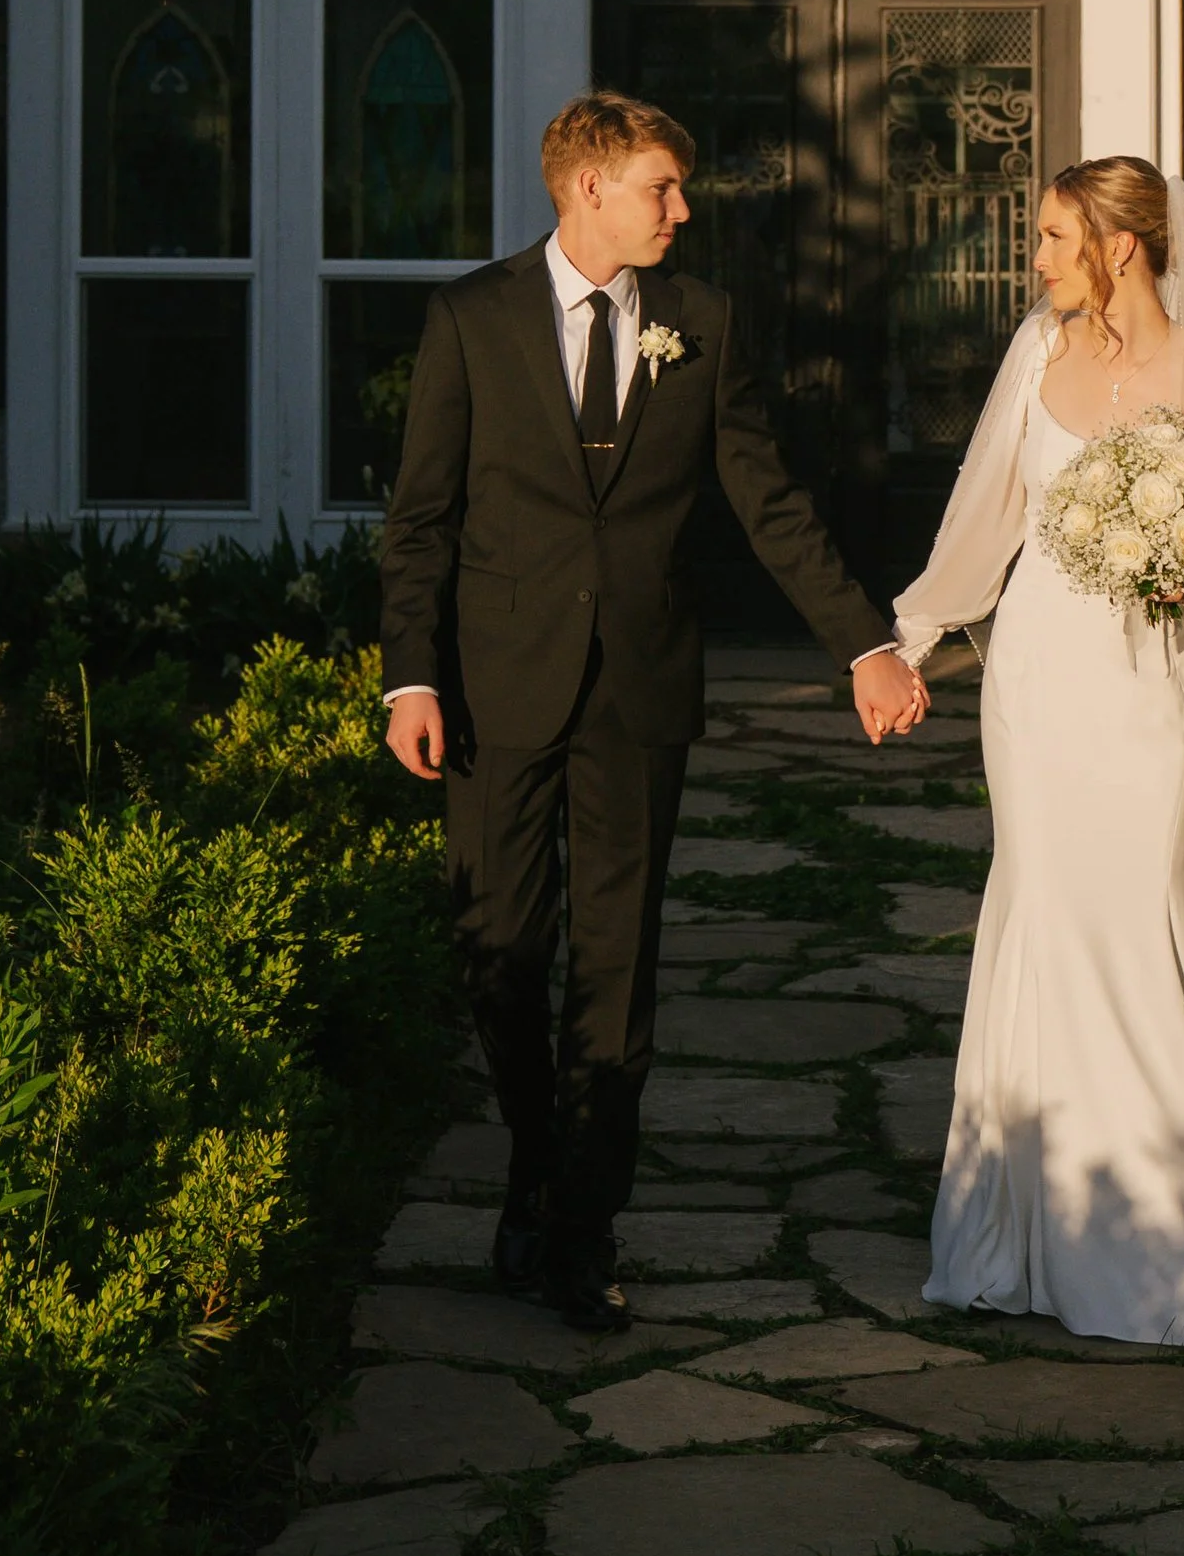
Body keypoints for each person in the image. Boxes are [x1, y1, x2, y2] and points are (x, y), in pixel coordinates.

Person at [381, 92, 923, 1330]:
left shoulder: (703, 324)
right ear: (586, 190)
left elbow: (767, 500)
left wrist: (864, 646)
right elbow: (421, 522)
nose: (682, 211)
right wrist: (410, 675)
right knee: (503, 958)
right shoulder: (469, 319)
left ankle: (583, 1229)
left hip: (637, 693)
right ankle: (538, 1157)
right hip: (492, 692)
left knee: (618, 972)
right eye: (662, 190)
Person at [890, 153, 1184, 1346]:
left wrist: (1178, 554)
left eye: (1058, 238)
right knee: (1043, 920)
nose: (1039, 259)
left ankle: (1165, 1255)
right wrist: (909, 640)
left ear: (1121, 248)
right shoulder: (1036, 355)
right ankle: (1022, 1241)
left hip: (1157, 690)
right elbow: (985, 513)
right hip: (1041, 681)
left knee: (1140, 917)